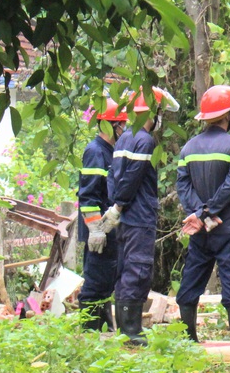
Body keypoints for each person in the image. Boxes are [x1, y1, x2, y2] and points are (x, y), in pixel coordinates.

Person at [101, 87, 180, 346]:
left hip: (125, 218)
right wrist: (120, 205)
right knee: (138, 270)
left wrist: (116, 207)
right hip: (138, 217)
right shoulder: (144, 140)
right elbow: (132, 178)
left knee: (126, 270)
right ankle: (132, 333)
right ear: (152, 112)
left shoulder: (124, 138)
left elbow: (115, 176)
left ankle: (127, 331)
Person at [176, 85, 230, 342]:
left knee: (192, 279)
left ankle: (188, 340)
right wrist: (209, 212)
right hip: (229, 228)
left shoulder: (188, 148)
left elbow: (183, 186)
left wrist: (199, 215)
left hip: (201, 229)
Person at [77, 98, 127, 331]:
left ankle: (104, 331)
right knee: (95, 283)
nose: (124, 130)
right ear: (111, 125)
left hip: (109, 229)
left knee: (106, 282)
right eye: (121, 126)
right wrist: (96, 229)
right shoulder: (96, 151)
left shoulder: (111, 151)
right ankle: (88, 332)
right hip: (99, 232)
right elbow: (87, 195)